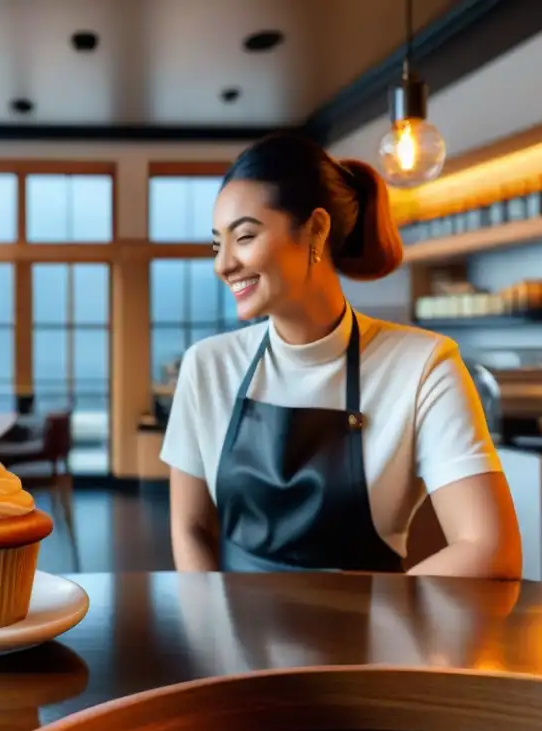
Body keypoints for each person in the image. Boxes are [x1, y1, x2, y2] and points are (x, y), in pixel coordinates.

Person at [160, 132, 522, 579]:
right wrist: (212, 631)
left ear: (315, 229)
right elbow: (190, 526)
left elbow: (490, 547)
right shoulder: (207, 365)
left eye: (245, 236)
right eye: (218, 244)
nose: (223, 263)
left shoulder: (424, 366)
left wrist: (382, 630)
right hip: (232, 636)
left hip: (371, 644)